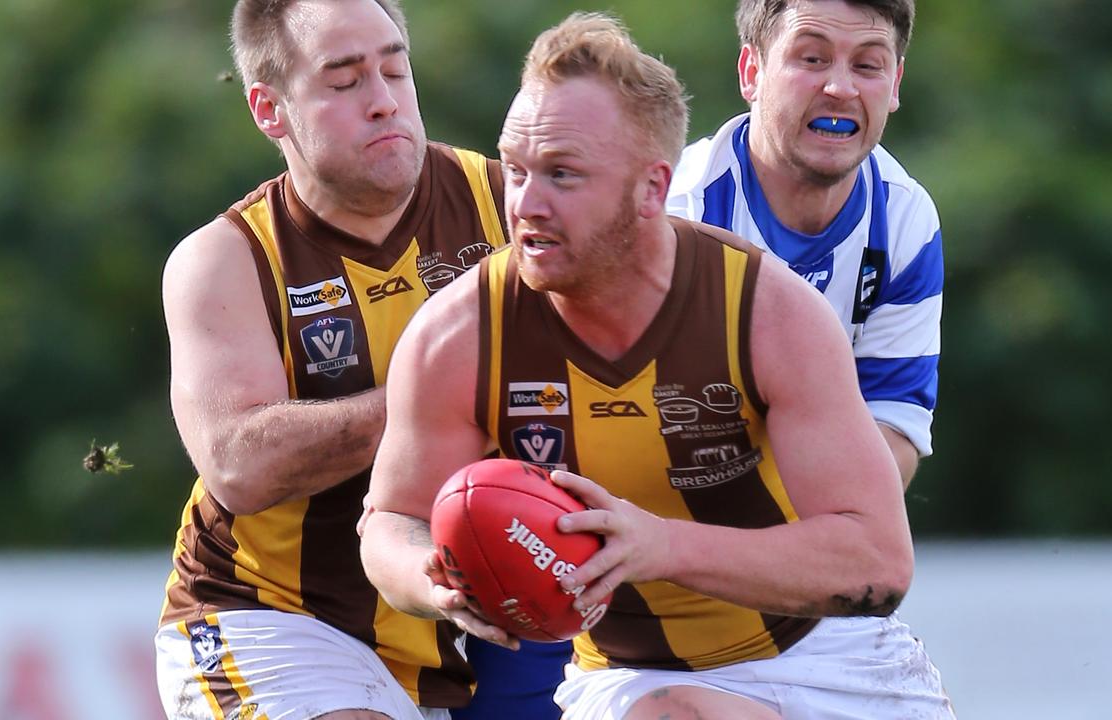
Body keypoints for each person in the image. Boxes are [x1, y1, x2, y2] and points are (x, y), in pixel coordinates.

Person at [361, 11, 954, 720]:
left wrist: (664, 543)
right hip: (634, 673)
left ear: (652, 190)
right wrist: (433, 579)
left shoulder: (771, 312)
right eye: (515, 171)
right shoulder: (456, 333)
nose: (525, 205)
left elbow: (878, 562)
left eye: (563, 175)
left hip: (831, 650)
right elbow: (391, 518)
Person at [152, 1, 509, 718]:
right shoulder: (223, 260)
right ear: (269, 110)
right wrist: (439, 399)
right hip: (266, 617)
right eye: (344, 82)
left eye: (395, 69)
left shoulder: (507, 203)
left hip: (444, 641)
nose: (382, 102)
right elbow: (238, 465)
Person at [667, 0, 942, 489]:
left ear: (895, 85)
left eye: (867, 65)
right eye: (811, 59)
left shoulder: (905, 220)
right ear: (752, 72)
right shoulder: (676, 213)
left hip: (799, 528)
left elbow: (894, 428)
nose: (840, 88)